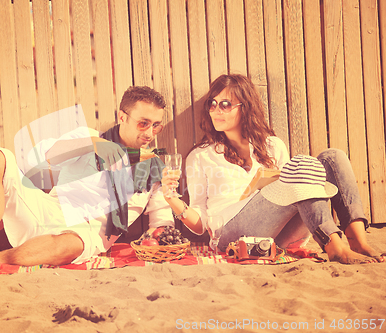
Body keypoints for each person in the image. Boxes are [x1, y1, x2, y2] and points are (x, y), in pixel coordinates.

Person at [0, 86, 174, 288]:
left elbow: (162, 222)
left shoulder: (153, 168)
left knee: (70, 244)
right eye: (143, 123)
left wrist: (170, 212)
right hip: (49, 209)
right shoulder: (89, 138)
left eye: (157, 125)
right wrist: (93, 145)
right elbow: (47, 155)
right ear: (123, 117)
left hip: (88, 234)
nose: (150, 132)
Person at [161, 74, 384, 264]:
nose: (216, 110)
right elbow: (199, 226)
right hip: (230, 234)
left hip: (280, 235)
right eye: (213, 103)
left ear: (244, 108)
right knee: (301, 167)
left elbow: (299, 191)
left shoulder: (272, 145)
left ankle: (358, 241)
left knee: (333, 157)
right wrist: (172, 199)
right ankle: (334, 246)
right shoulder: (201, 156)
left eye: (225, 104)